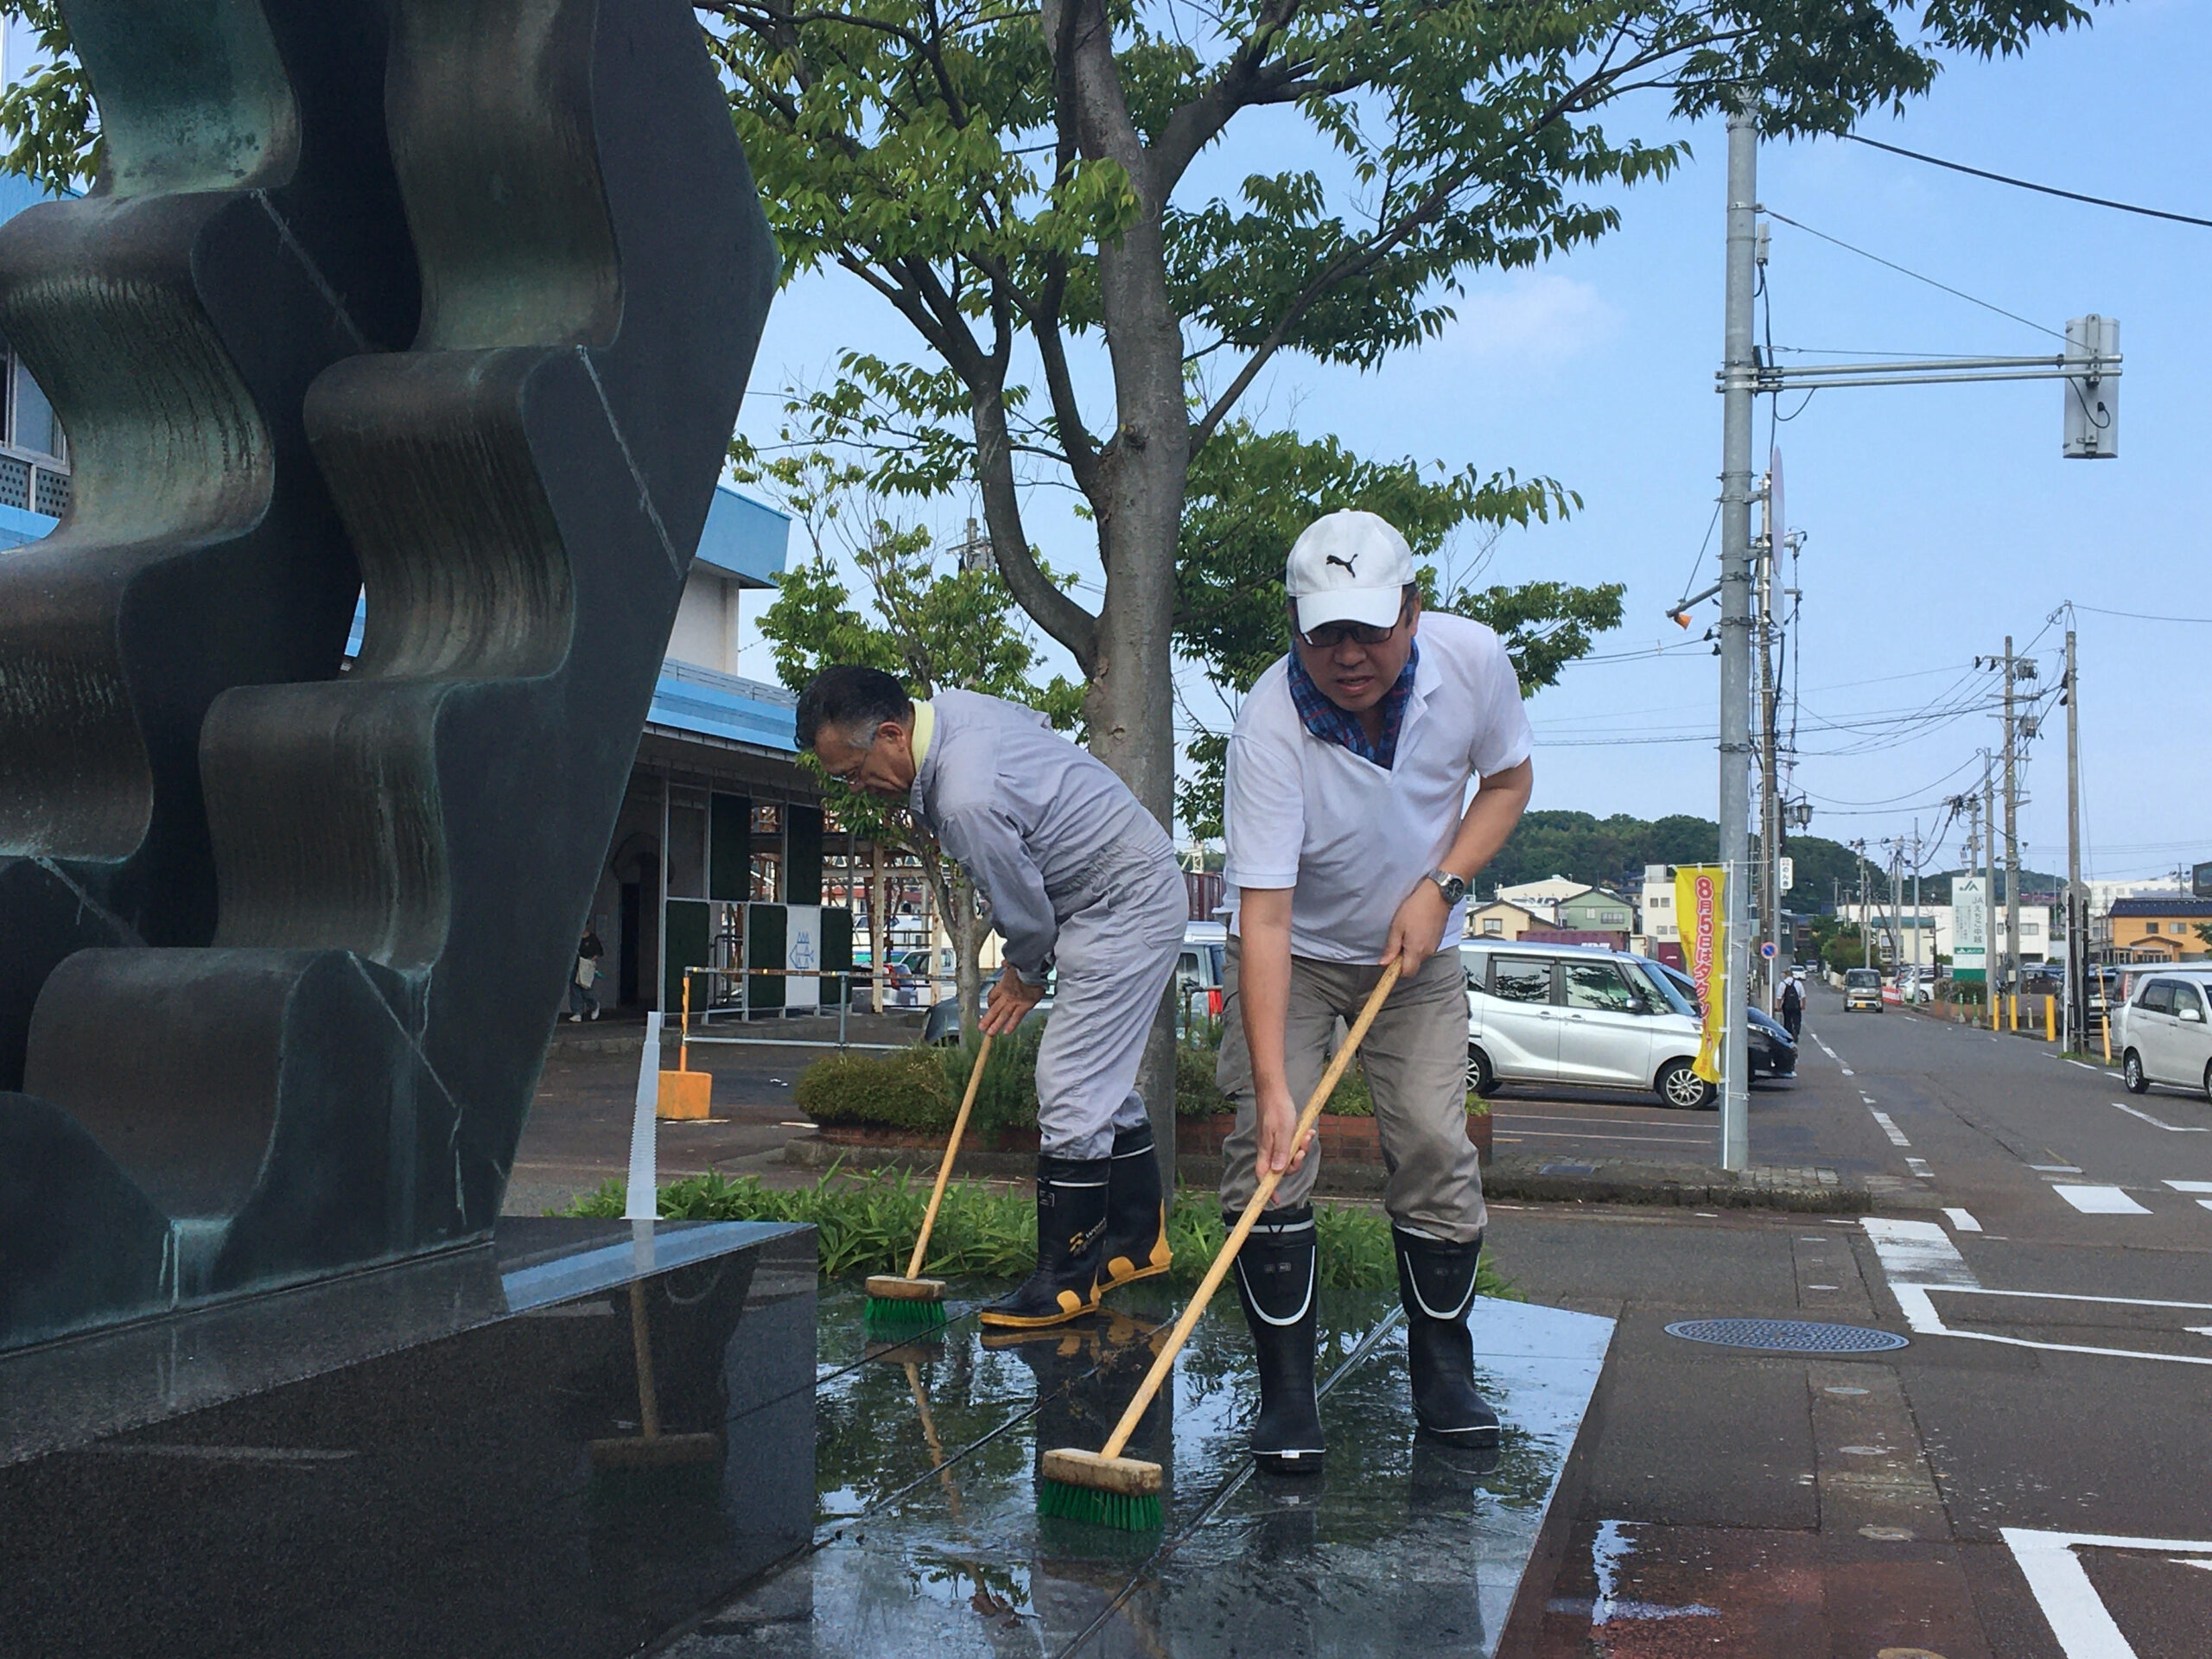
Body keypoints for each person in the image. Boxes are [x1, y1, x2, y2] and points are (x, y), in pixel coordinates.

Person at [1217, 509, 1534, 1469]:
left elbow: (1509, 781)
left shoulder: (1473, 663)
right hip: (1300, 956)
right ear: (1292, 622)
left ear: (1412, 608)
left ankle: (1443, 1372)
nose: (1348, 654)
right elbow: (1262, 921)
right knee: (1265, 1155)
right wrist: (1276, 1090)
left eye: (1369, 628)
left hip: (1417, 956)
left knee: (1435, 1142)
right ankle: (1286, 1397)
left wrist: (1443, 886)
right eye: (1324, 632)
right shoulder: (1266, 724)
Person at [795, 665, 1187, 1328]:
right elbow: (1037, 732)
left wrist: (1025, 973)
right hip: (1114, 885)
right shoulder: (954, 711)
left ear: (892, 732)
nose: (855, 789)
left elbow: (1026, 910)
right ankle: (1133, 1240)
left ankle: (1066, 1279)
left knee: (1068, 1083)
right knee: (1095, 1076)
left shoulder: (963, 798)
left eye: (852, 773)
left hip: (1121, 900)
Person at [568, 929, 605, 1021]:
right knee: (574, 988)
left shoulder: (592, 938)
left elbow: (598, 953)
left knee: (585, 987)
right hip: (576, 963)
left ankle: (594, 1006)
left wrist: (590, 962)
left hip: (586, 964)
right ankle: (577, 1012)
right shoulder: (575, 937)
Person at [1779, 970, 1804, 1039]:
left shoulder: (1782, 983)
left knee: (1787, 1020)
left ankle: (1788, 1034)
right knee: (1797, 1019)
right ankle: (1796, 1030)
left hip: (1786, 1005)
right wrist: (1803, 1005)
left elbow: (1779, 997)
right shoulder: (1798, 983)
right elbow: (1803, 996)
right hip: (1796, 1005)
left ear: (1786, 975)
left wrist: (1778, 1006)